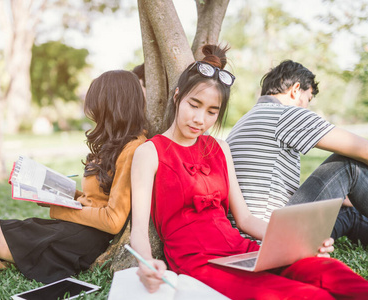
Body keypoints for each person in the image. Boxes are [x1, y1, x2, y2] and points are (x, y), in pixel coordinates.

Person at [129, 44, 368, 299]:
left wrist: (299, 243)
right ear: (177, 97)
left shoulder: (220, 148)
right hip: (199, 262)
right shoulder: (150, 152)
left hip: (242, 250)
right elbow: (139, 231)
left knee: (331, 272)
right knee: (307, 295)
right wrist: (145, 261)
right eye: (194, 105)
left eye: (212, 111)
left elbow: (245, 219)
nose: (200, 118)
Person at [0, 70, 148, 283]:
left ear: (112, 106)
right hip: (73, 235)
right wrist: (61, 195)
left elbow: (113, 219)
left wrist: (60, 209)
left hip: (77, 241)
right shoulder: (119, 145)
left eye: (97, 108)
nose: (94, 115)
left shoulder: (134, 149)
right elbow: (99, 199)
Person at [226, 60, 368, 245]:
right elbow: (362, 148)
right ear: (295, 90)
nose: (307, 108)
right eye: (308, 100)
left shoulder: (246, 120)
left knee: (348, 212)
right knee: (348, 165)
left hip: (248, 232)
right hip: (268, 234)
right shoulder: (285, 114)